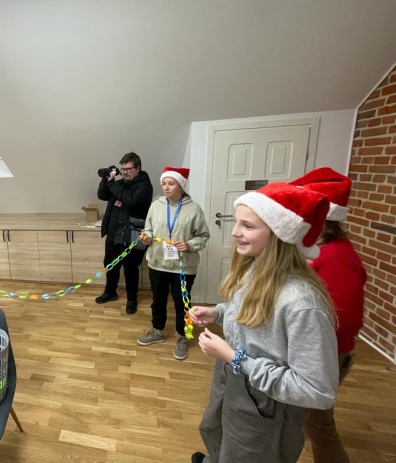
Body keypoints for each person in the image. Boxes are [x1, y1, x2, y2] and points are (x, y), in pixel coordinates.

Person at [189, 182, 339, 463]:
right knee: (215, 431)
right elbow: (254, 314)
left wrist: (234, 358)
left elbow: (317, 391)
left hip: (265, 404)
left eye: (247, 226)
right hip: (235, 381)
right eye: (237, 222)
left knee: (246, 454)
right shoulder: (255, 268)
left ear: (279, 234)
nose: (234, 232)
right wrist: (219, 313)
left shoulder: (302, 303)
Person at [290, 167, 366, 463]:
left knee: (320, 428)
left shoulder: (335, 257)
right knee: (309, 422)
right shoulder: (316, 250)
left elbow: (345, 323)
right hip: (316, 354)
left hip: (325, 358)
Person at [136, 167, 210, 360]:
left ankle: (182, 336)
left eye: (171, 183)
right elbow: (148, 229)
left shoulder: (194, 209)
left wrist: (189, 244)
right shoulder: (156, 206)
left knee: (182, 303)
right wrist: (146, 236)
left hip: (183, 267)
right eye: (164, 183)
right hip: (157, 263)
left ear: (181, 186)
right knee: (157, 300)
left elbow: (203, 236)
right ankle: (157, 330)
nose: (166, 187)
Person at [96, 152, 153, 314]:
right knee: (110, 265)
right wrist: (106, 179)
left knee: (130, 268)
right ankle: (110, 292)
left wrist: (113, 184)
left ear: (138, 168)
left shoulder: (144, 185)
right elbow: (102, 195)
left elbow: (130, 200)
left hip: (131, 235)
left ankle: (131, 299)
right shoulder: (120, 184)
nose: (125, 172)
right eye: (123, 169)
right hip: (114, 233)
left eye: (129, 169)